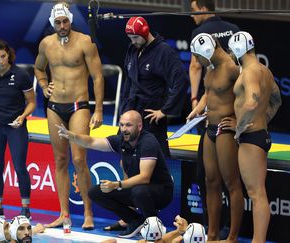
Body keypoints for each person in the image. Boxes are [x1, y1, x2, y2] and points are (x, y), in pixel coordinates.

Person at [34, 2, 104, 229]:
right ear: (52, 23)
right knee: (60, 160)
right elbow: (38, 68)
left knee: (78, 159)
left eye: (65, 21)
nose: (62, 26)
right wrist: (44, 85)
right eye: (58, 23)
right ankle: (64, 214)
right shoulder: (46, 44)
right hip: (54, 107)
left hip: (78, 106)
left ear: (70, 21)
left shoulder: (85, 42)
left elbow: (98, 77)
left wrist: (100, 109)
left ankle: (88, 212)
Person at [57, 110, 174, 238]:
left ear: (139, 126)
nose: (124, 129)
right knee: (96, 192)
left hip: (161, 192)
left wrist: (117, 184)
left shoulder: (148, 142)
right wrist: (73, 136)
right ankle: (135, 221)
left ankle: (154, 225)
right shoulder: (121, 140)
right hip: (139, 190)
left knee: (139, 191)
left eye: (128, 125)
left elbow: (145, 177)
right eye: (122, 125)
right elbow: (91, 142)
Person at [189, 1, 240, 235]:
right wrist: (198, 107)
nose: (197, 62)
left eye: (198, 57)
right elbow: (210, 92)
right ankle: (212, 233)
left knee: (231, 183)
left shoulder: (232, 68)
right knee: (211, 182)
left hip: (225, 129)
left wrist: (240, 121)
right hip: (209, 126)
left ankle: (231, 236)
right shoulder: (210, 68)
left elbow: (253, 94)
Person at [225, 31, 282, 243]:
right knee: (257, 193)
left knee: (257, 194)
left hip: (251, 138)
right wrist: (262, 119)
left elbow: (251, 102)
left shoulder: (249, 72)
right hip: (260, 134)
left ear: (239, 49)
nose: (230, 55)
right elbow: (276, 101)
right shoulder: (264, 71)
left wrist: (239, 128)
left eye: (231, 50)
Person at [121, 16, 188, 158]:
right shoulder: (133, 48)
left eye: (135, 38)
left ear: (145, 32)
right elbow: (129, 79)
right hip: (131, 112)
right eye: (130, 38)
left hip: (151, 116)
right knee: (125, 156)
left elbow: (181, 80)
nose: (133, 42)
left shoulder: (164, 52)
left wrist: (165, 110)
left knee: (155, 158)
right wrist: (124, 108)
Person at [0, 39, 36, 218]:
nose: (1, 61)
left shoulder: (21, 75)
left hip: (16, 128)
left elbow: (32, 102)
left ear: (9, 55)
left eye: (3, 56)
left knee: (20, 167)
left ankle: (25, 208)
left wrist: (22, 117)